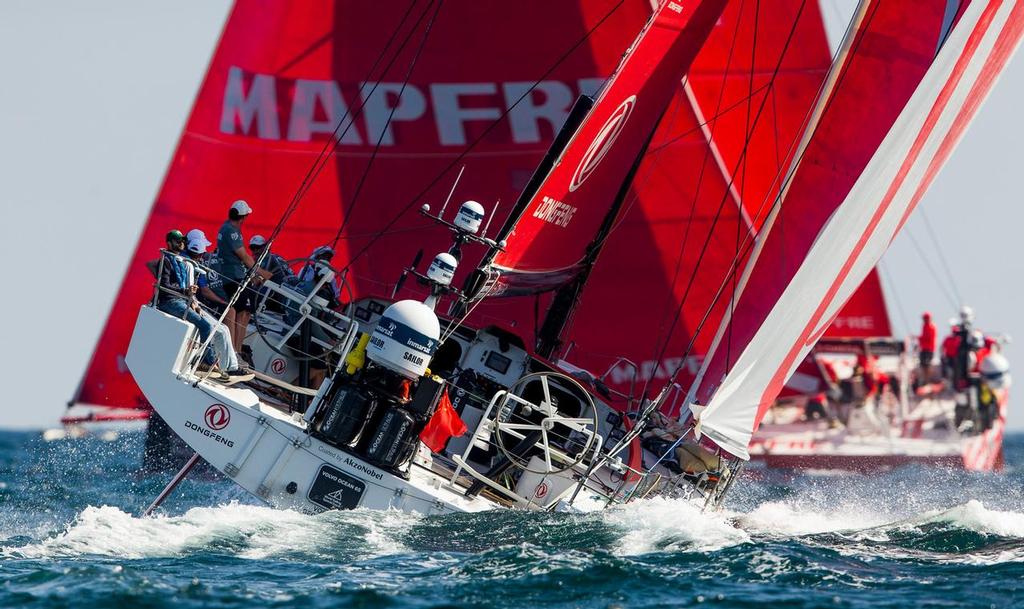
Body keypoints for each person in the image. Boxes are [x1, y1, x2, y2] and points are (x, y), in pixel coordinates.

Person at [151, 230, 249, 381]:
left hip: (186, 301)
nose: (181, 244)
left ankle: (230, 368)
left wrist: (193, 301)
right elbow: (165, 285)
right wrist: (186, 292)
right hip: (170, 301)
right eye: (177, 242)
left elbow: (188, 288)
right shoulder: (168, 260)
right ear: (169, 243)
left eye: (182, 241)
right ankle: (205, 363)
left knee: (222, 330)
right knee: (206, 326)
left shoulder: (183, 261)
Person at [216, 200, 271, 353]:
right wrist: (263, 273)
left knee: (245, 312)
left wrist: (252, 276)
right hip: (233, 278)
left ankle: (236, 350)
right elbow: (244, 256)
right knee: (242, 311)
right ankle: (235, 351)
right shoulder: (231, 231)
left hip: (236, 276)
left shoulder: (228, 228)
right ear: (243, 217)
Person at [249, 235, 294, 314]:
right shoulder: (275, 256)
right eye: (253, 248)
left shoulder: (266, 259)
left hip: (280, 295)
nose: (255, 250)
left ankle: (250, 313)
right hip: (289, 291)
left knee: (249, 290)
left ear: (265, 247)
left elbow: (257, 281)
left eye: (258, 247)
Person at [918, 312, 937, 382]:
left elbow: (927, 338)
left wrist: (919, 338)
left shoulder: (931, 327)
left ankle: (928, 380)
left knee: (927, 365)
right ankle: (925, 380)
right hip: (924, 348)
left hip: (928, 349)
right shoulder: (924, 326)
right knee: (923, 365)